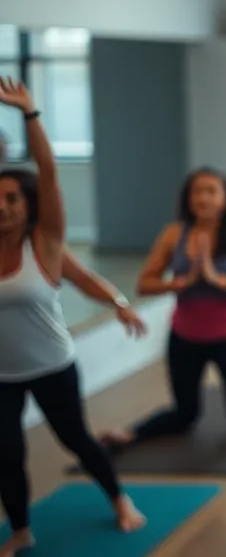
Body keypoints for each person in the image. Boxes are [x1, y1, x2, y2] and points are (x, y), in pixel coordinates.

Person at [0, 78, 145, 556]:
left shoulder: (44, 245)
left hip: (52, 365)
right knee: (6, 455)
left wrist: (31, 114)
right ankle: (20, 529)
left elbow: (48, 172)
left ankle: (119, 498)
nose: (2, 209)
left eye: (12, 200)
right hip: (2, 375)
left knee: (77, 441)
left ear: (29, 205)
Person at [96, 168, 226, 452]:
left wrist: (215, 278)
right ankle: (129, 434)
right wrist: (182, 283)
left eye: (211, 191)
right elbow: (144, 284)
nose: (203, 198)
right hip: (185, 337)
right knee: (184, 415)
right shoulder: (173, 234)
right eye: (197, 191)